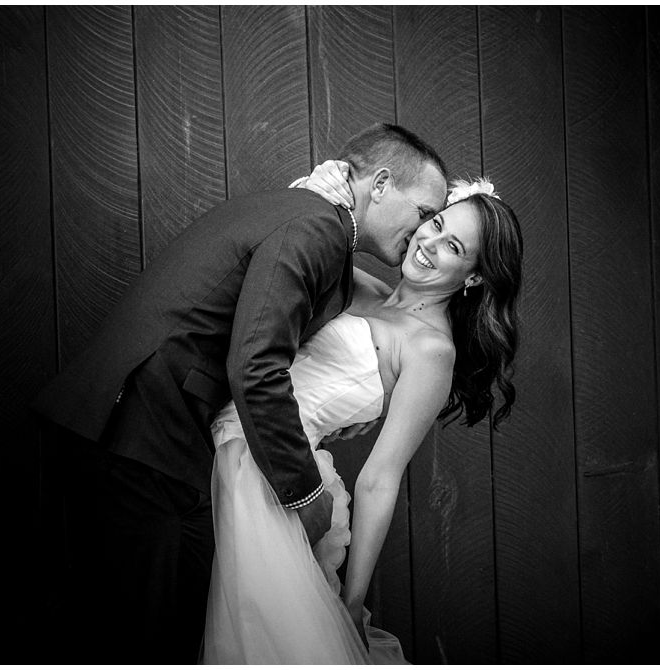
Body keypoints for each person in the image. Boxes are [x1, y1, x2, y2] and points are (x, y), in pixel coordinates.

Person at [30, 123, 448, 663]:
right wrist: (305, 497)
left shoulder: (302, 214)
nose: (420, 234)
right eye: (421, 215)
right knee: (147, 639)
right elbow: (255, 363)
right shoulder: (316, 226)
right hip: (140, 432)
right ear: (383, 183)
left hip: (132, 429)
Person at [201, 169, 524, 663]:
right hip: (235, 438)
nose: (429, 243)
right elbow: (288, 250)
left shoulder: (430, 350)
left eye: (454, 248)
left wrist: (351, 605)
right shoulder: (363, 288)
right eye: (435, 224)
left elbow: (379, 478)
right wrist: (323, 179)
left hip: (267, 473)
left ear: (475, 276)